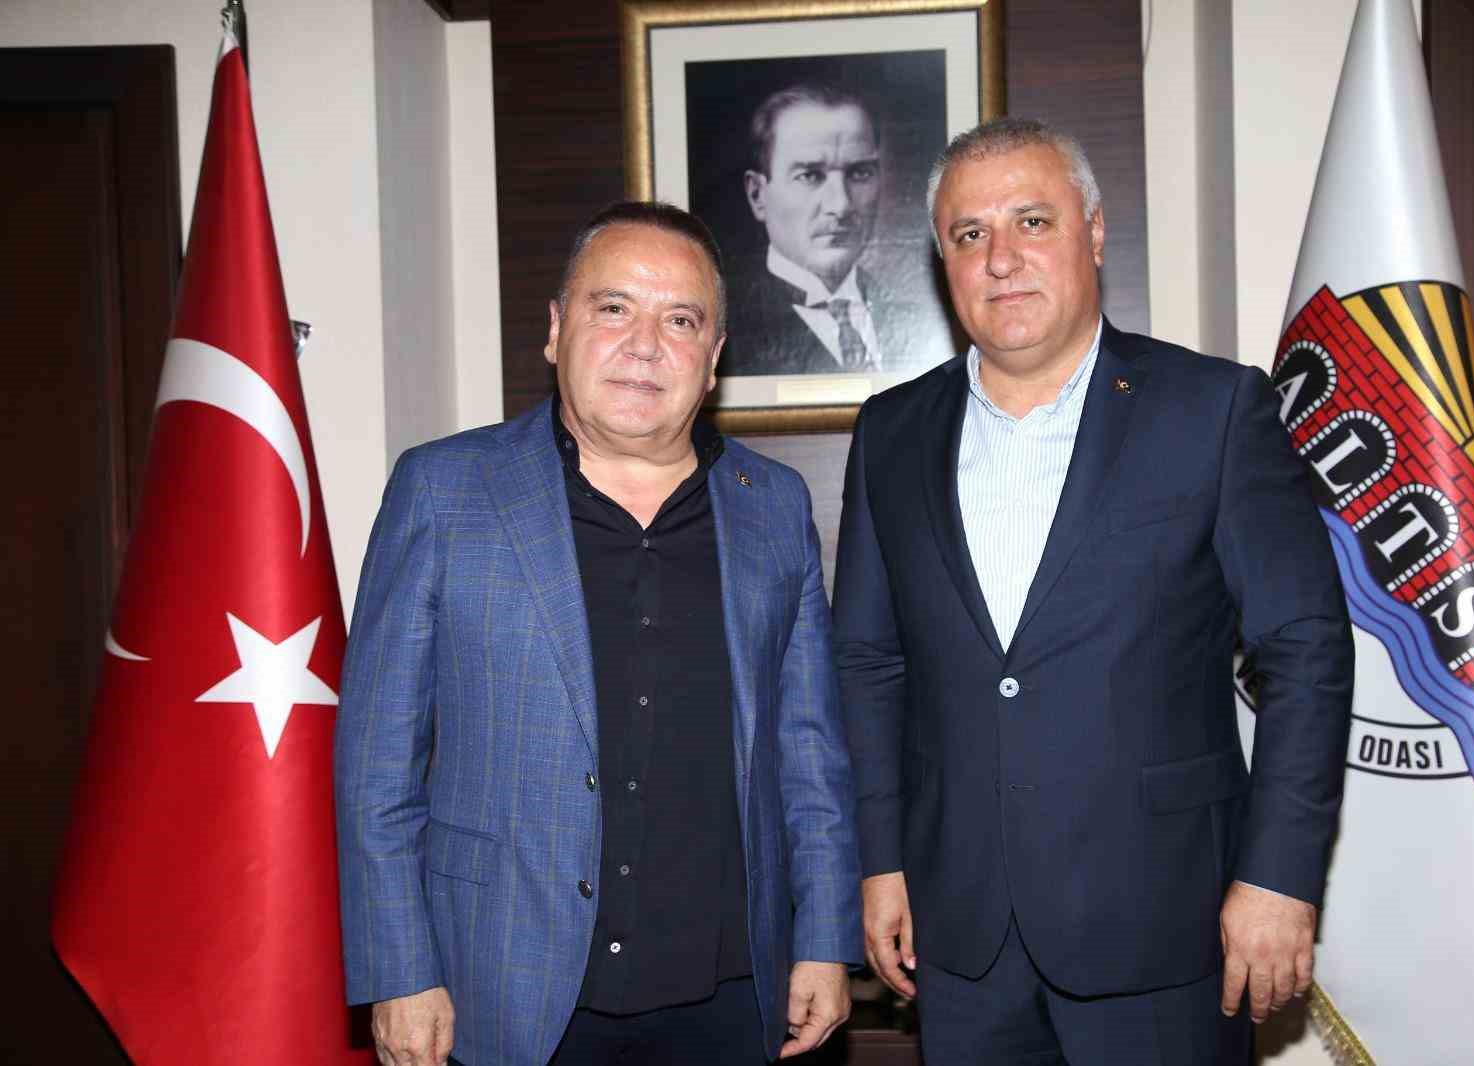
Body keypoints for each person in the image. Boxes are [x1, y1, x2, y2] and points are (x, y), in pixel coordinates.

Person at [832, 118, 1354, 1065]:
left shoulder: (1212, 410)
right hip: (961, 933)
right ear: (944, 259)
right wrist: (881, 859)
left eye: (1032, 221)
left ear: (1095, 232)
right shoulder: (891, 433)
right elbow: (869, 662)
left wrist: (1279, 877)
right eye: (970, 234)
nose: (1001, 258)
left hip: (1166, 923)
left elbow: (1305, 649)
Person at [335, 202, 861, 1066]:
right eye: (613, 307)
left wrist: (825, 937)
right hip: (502, 990)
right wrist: (398, 970)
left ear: (714, 358)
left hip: (729, 996)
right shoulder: (444, 491)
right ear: (556, 330)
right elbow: (376, 766)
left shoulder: (773, 507)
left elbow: (810, 753)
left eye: (680, 320)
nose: (644, 345)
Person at [725, 84, 887, 376]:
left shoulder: (911, 314)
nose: (840, 205)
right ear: (757, 195)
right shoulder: (726, 333)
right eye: (810, 176)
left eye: (860, 173)